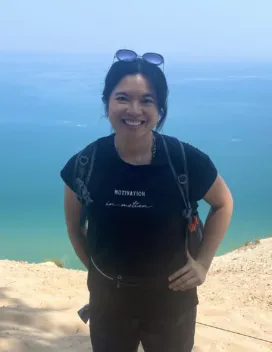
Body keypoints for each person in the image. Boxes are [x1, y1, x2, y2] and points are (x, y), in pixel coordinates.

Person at [60, 49, 233, 352]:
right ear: (107, 102)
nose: (134, 110)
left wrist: (203, 263)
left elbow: (222, 203)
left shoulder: (184, 160)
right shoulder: (84, 163)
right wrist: (98, 272)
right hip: (108, 304)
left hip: (172, 304)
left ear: (160, 109)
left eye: (147, 100)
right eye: (123, 97)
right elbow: (75, 229)